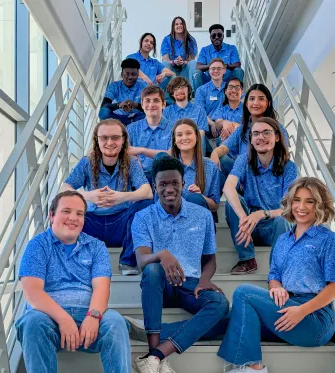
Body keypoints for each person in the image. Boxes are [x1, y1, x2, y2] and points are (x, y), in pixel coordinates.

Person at [217, 177, 335, 373]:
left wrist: (301, 311)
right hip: (285, 307)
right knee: (228, 320)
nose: (301, 206)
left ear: (320, 205)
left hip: (313, 318)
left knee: (244, 292)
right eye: (297, 200)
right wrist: (276, 287)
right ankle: (161, 341)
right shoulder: (283, 240)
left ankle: (253, 368)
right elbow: (274, 274)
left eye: (309, 201)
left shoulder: (329, 240)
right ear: (290, 202)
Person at [130, 156, 229, 373]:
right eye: (163, 184)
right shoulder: (142, 217)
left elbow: (210, 259)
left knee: (221, 306)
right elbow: (141, 261)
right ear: (154, 187)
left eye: (175, 183)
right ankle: (153, 346)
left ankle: (155, 356)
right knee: (153, 269)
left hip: (190, 285)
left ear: (183, 184)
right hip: (160, 287)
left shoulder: (202, 215)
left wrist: (204, 280)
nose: (169, 189)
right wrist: (162, 255)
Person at [15, 191, 131, 373]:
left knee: (116, 322)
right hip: (49, 319)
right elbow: (33, 292)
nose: (73, 218)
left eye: (79, 213)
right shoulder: (37, 245)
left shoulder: (96, 246)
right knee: (32, 322)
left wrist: (93, 316)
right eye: (66, 211)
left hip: (88, 315)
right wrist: (63, 319)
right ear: (51, 215)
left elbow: (102, 288)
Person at [61, 119, 153, 275]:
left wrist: (121, 197)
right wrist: (89, 195)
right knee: (64, 208)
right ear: (97, 140)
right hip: (92, 224)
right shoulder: (87, 162)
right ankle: (72, 264)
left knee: (144, 206)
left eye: (115, 137)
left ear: (123, 140)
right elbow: (64, 188)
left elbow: (148, 191)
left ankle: (128, 263)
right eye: (104, 138)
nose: (110, 142)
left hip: (121, 225)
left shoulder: (131, 162)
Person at [223, 117, 295, 275]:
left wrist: (262, 214)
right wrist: (243, 216)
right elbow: (228, 188)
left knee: (283, 219)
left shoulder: (289, 167)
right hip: (248, 227)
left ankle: (278, 271)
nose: (260, 137)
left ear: (276, 137)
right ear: (251, 139)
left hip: (273, 228)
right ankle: (247, 258)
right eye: (255, 134)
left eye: (266, 133)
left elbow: (289, 208)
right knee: (232, 203)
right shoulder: (244, 160)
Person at [210, 83, 289, 190]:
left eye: (261, 99)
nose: (255, 103)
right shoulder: (243, 129)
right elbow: (224, 148)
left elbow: (283, 157)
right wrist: (214, 154)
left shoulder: (278, 129)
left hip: (266, 181)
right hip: (244, 177)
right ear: (246, 104)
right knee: (222, 160)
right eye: (252, 99)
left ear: (268, 103)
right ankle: (213, 198)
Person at [155, 118, 220, 212]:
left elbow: (215, 206)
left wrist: (200, 197)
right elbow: (157, 203)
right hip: (170, 219)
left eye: (188, 133)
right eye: (179, 135)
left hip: (198, 221)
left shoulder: (211, 166)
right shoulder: (165, 166)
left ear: (197, 137)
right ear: (174, 140)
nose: (184, 138)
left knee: (196, 199)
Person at [127, 86, 174, 182]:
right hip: (137, 177)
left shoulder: (174, 129)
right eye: (147, 101)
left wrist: (142, 150)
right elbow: (126, 151)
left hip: (166, 176)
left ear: (164, 104)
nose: (151, 104)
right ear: (142, 104)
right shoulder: (131, 128)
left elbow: (170, 155)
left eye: (156, 100)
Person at [163, 77, 209, 154]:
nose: (179, 91)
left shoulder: (199, 110)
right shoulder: (166, 112)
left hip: (194, 145)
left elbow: (201, 132)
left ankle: (199, 163)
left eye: (182, 87)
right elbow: (166, 134)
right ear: (172, 93)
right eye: (176, 88)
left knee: (202, 138)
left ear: (188, 90)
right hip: (175, 145)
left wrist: (188, 142)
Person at [193, 24, 244, 91]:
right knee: (196, 73)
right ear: (210, 37)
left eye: (219, 35)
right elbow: (198, 66)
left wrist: (225, 66)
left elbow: (237, 65)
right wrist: (212, 66)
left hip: (227, 79)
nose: (216, 37)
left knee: (239, 71)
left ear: (223, 36)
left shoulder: (231, 48)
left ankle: (238, 96)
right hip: (210, 79)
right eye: (213, 36)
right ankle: (198, 98)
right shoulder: (204, 50)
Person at [99, 58, 148, 126]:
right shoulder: (114, 86)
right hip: (117, 118)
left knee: (152, 113)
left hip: (137, 118)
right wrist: (119, 105)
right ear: (122, 74)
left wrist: (136, 105)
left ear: (137, 75)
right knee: (104, 112)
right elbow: (104, 106)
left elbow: (149, 106)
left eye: (133, 74)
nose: (130, 77)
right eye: (127, 74)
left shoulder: (144, 86)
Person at [160, 16, 198, 85]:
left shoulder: (191, 40)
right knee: (164, 63)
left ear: (184, 26)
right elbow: (165, 58)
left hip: (185, 69)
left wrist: (184, 62)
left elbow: (191, 58)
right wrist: (174, 62)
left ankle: (192, 91)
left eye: (181, 24)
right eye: (176, 24)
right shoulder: (167, 39)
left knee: (193, 62)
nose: (179, 25)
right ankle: (165, 92)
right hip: (172, 69)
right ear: (173, 27)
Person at [209, 78, 244, 143]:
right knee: (223, 138)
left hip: (242, 139)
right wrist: (224, 122)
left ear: (242, 92)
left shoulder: (247, 109)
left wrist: (233, 127)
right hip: (224, 140)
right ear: (225, 91)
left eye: (237, 88)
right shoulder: (221, 110)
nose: (233, 90)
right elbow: (217, 125)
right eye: (230, 87)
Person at [194, 58, 227, 126]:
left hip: (227, 125)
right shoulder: (201, 90)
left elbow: (242, 100)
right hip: (207, 125)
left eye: (219, 68)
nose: (216, 71)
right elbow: (200, 112)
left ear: (224, 70)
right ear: (209, 71)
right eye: (213, 68)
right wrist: (213, 124)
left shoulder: (231, 87)